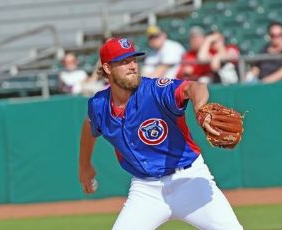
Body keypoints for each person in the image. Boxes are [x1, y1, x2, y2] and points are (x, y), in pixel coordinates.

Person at [79, 37, 243, 230]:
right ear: (107, 68)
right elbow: (89, 125)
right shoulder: (98, 105)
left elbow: (194, 87)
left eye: (133, 60)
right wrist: (85, 166)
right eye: (123, 62)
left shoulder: (154, 90)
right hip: (146, 190)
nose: (132, 66)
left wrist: (200, 108)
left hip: (189, 179)